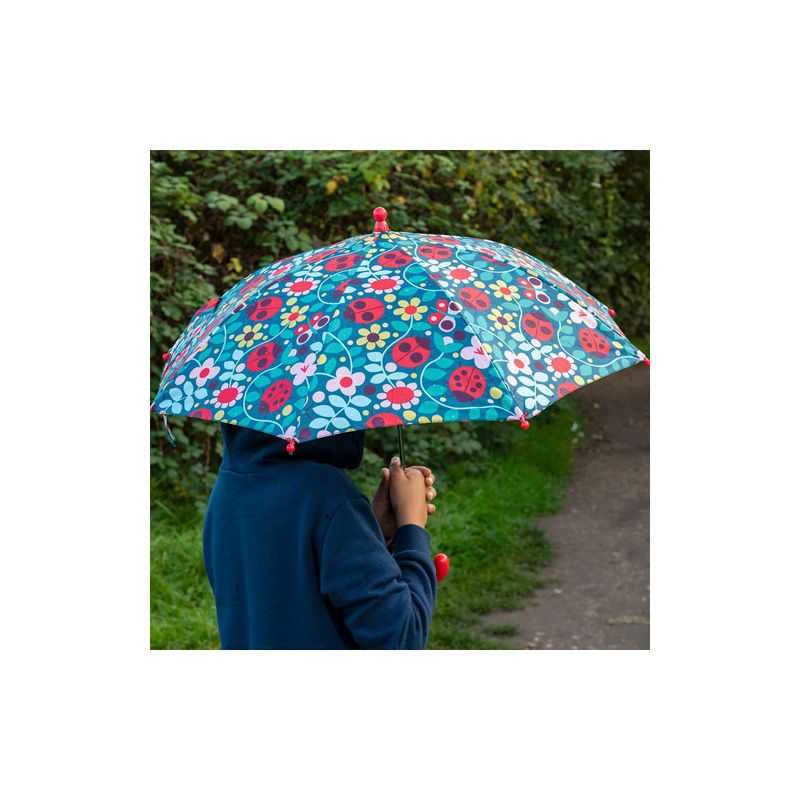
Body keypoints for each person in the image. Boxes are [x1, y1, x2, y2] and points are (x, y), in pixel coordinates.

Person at [202, 424, 439, 649]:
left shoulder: (229, 485)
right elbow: (403, 637)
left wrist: (369, 533)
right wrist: (411, 528)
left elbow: (286, 584)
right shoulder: (329, 498)